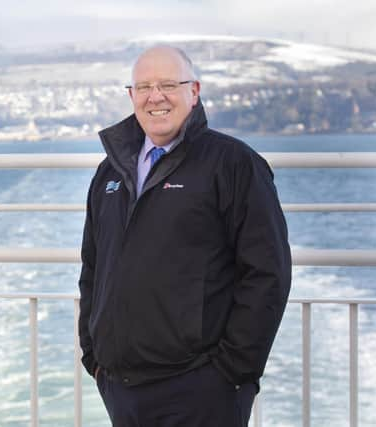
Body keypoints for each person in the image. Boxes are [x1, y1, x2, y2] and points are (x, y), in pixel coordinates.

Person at [78, 45, 291, 427]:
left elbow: (268, 273)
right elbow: (93, 268)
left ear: (194, 91)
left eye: (167, 84)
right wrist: (93, 356)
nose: (154, 96)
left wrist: (232, 370)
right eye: (143, 86)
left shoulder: (234, 164)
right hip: (121, 387)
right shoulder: (108, 173)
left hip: (202, 389)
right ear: (131, 96)